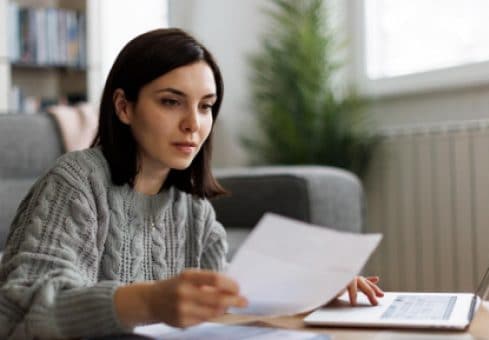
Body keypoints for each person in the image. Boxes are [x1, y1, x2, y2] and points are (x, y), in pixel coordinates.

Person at [0, 28, 383, 339]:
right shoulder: (76, 182)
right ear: (124, 107)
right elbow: (27, 314)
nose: (193, 124)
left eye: (205, 106)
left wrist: (315, 287)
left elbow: (230, 291)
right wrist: (151, 302)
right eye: (171, 101)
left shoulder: (193, 209)